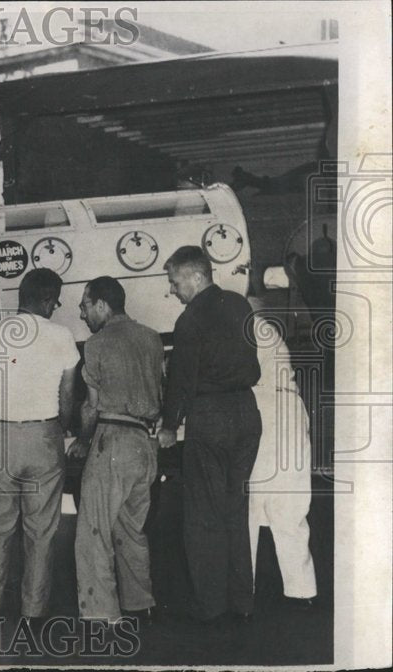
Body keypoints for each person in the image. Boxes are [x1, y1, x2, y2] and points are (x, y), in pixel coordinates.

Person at [157, 246, 262, 624]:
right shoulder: (240, 305)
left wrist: (169, 426)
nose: (172, 290)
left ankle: (211, 606)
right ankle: (242, 602)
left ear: (196, 277)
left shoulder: (190, 321)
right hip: (247, 413)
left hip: (211, 415)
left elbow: (181, 383)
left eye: (174, 282)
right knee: (236, 509)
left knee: (204, 513)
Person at [0, 268, 79, 622]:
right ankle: (33, 613)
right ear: (48, 301)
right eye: (55, 302)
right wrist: (61, 429)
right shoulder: (61, 336)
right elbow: (67, 396)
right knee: (41, 530)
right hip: (43, 438)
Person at [70, 276, 164, 623]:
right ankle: (141, 602)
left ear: (102, 305)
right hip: (145, 443)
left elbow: (91, 406)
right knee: (131, 528)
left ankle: (100, 612)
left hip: (112, 439)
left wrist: (82, 440)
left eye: (84, 305)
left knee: (94, 529)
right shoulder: (151, 337)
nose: (82, 313)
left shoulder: (96, 344)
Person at [246, 310, 317, 610]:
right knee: (291, 505)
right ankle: (302, 591)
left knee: (249, 505)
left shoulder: (241, 327)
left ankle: (242, 592)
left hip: (265, 409)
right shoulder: (262, 328)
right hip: (290, 407)